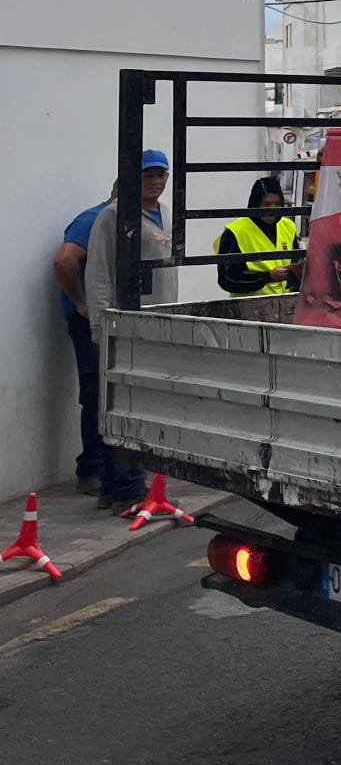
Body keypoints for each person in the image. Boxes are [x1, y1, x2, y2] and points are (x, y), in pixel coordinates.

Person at [82, 149, 177, 508]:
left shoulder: (166, 215)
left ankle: (123, 484)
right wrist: (101, 323)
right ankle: (123, 485)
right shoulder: (113, 216)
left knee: (145, 405)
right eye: (148, 175)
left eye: (160, 175)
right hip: (123, 323)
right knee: (120, 406)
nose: (155, 182)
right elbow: (99, 271)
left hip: (158, 322)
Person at [51, 182, 116, 496]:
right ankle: (91, 467)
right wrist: (81, 302)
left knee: (110, 393)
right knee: (95, 393)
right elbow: (64, 260)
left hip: (117, 319)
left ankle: (109, 466)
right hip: (91, 320)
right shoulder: (95, 219)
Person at [216, 176, 300, 296]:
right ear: (256, 204)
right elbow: (226, 280)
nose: (273, 209)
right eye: (267, 204)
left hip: (284, 302)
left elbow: (295, 263)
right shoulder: (235, 232)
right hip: (249, 307)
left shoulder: (288, 226)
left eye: (277, 203)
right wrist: (266, 277)